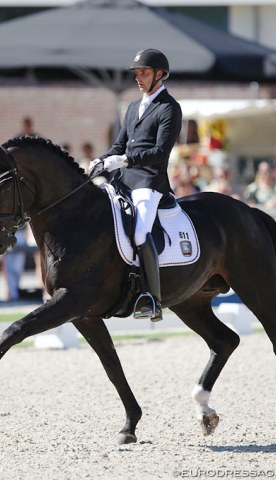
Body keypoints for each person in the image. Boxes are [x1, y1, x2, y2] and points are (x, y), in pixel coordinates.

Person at [89, 49, 182, 321]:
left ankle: (151, 298)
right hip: (123, 182)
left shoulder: (169, 108)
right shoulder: (131, 107)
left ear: (160, 74)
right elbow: (118, 146)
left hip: (148, 183)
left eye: (143, 73)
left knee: (141, 233)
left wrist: (125, 160)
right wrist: (101, 159)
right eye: (137, 73)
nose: (138, 78)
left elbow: (160, 152)